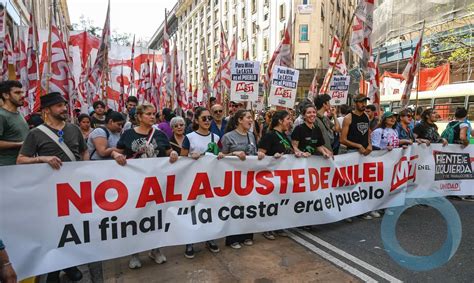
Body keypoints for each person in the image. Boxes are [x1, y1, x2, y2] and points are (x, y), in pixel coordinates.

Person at [17, 92, 87, 282]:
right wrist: (42, 158)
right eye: (58, 106)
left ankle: (69, 265)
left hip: (75, 189)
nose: (64, 108)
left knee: (73, 230)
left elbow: (83, 150)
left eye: (64, 105)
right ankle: (54, 270)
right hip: (50, 192)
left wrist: (87, 171)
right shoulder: (36, 133)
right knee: (55, 231)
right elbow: (21, 160)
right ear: (46, 110)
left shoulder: (73, 129)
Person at [111, 103, 178, 269]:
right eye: (148, 114)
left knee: (156, 217)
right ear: (139, 117)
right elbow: (117, 151)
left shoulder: (160, 134)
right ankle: (134, 253)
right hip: (134, 184)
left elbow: (169, 151)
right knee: (136, 218)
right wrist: (115, 155)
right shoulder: (128, 134)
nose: (152, 116)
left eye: (153, 113)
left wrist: (174, 153)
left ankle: (155, 249)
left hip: (156, 184)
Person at [180, 107, 221, 258]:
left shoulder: (215, 137)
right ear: (196, 120)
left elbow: (217, 155)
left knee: (210, 209)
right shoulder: (189, 137)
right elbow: (181, 159)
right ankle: (189, 241)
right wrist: (191, 156)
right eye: (203, 118)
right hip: (193, 181)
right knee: (192, 210)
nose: (207, 121)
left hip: (210, 180)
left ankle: (209, 238)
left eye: (209, 118)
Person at [220, 110, 258, 249]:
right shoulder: (228, 137)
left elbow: (254, 153)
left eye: (251, 118)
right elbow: (220, 157)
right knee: (235, 207)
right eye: (248, 118)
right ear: (239, 120)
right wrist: (233, 153)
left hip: (249, 178)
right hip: (233, 180)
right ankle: (233, 238)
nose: (251, 120)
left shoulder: (251, 136)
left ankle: (247, 235)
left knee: (249, 206)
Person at [258, 110, 294, 240]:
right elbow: (261, 155)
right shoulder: (269, 136)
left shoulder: (284, 135)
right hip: (270, 176)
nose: (290, 121)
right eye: (288, 119)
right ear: (280, 121)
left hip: (283, 175)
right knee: (270, 202)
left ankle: (277, 226)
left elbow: (288, 151)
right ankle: (266, 228)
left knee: (280, 201)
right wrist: (272, 157)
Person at [0, 80, 29, 166]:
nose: (22, 96)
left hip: (21, 165)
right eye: (17, 93)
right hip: (6, 167)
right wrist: (19, 144)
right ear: (6, 95)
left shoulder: (19, 113)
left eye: (22, 92)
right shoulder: (1, 115)